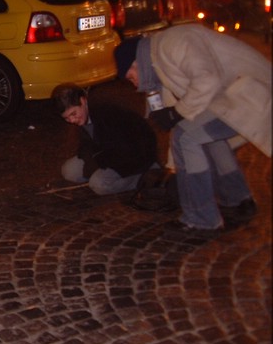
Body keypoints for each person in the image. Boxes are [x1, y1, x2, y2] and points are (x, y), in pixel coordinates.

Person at [114, 24, 271, 235]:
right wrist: (173, 165)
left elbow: (207, 80)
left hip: (252, 92)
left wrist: (176, 112)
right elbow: (177, 123)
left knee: (188, 136)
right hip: (234, 96)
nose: (134, 85)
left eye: (130, 78)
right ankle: (238, 201)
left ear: (135, 64)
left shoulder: (173, 42)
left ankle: (201, 219)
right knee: (201, 136)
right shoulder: (158, 65)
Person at [52, 85, 158, 196]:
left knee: (99, 184)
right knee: (69, 171)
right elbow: (86, 144)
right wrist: (88, 159)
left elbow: (121, 150)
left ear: (83, 101)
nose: (72, 120)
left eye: (73, 114)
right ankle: (101, 173)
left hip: (136, 155)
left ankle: (144, 176)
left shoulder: (106, 111)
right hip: (107, 154)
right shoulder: (84, 113)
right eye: (67, 118)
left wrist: (95, 163)